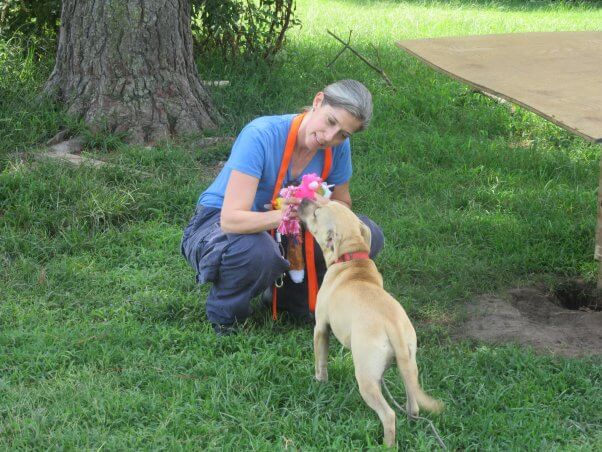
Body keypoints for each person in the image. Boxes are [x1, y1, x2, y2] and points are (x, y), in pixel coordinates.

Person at [181, 79, 384, 336]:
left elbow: (343, 202)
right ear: (318, 101)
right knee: (258, 252)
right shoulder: (261, 135)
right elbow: (230, 220)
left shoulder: (339, 147)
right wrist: (287, 215)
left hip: (289, 228)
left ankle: (291, 297)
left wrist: (322, 207)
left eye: (343, 134)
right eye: (331, 121)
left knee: (366, 234)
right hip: (219, 224)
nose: (330, 138)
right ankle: (226, 316)